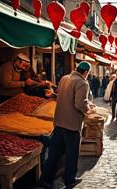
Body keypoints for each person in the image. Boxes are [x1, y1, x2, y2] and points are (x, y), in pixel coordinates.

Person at [39, 61, 95, 189]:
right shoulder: (82, 83)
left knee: (54, 153)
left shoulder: (65, 78)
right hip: (71, 125)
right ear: (86, 72)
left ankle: (45, 179)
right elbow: (79, 104)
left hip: (59, 122)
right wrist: (89, 109)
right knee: (71, 155)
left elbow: (60, 95)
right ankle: (69, 180)